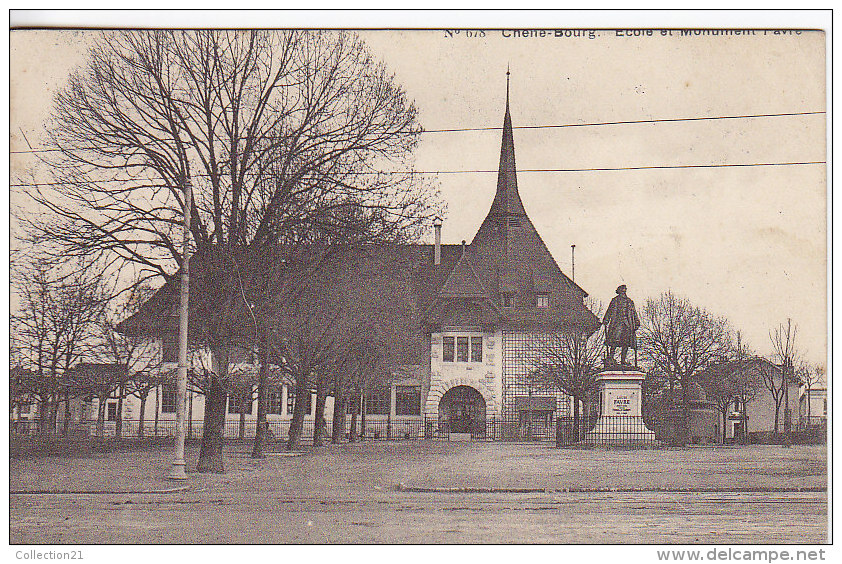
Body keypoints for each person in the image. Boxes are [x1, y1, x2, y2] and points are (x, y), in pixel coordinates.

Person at [603, 284, 640, 366]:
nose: (623, 292)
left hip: (628, 324)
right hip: (617, 323)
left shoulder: (630, 301)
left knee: (626, 342)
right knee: (614, 341)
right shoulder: (614, 301)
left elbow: (633, 313)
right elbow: (609, 311)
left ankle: (623, 360)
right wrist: (606, 319)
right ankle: (610, 358)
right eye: (622, 290)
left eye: (624, 290)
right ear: (619, 291)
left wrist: (636, 322)